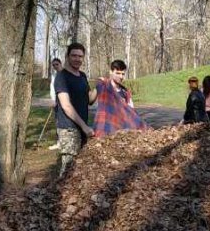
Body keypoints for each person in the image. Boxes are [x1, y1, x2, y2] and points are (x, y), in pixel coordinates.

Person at [54, 42, 97, 175]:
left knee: (81, 169)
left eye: (80, 56)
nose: (77, 59)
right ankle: (57, 195)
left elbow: (89, 100)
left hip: (82, 128)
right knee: (68, 170)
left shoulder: (83, 76)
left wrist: (99, 88)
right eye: (74, 55)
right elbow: (66, 105)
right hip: (69, 129)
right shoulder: (62, 77)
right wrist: (84, 126)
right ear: (67, 56)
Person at [94, 60, 148, 137]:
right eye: (118, 73)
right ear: (111, 72)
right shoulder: (103, 86)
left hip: (121, 132)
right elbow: (91, 100)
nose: (121, 77)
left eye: (123, 74)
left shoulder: (126, 93)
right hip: (104, 129)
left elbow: (131, 113)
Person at [48, 58, 63, 151]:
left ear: (60, 64)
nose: (55, 66)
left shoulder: (64, 75)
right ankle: (59, 142)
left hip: (63, 102)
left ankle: (63, 142)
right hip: (55, 102)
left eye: (57, 64)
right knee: (57, 122)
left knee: (63, 122)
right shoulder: (54, 75)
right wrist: (53, 100)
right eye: (53, 65)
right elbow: (52, 90)